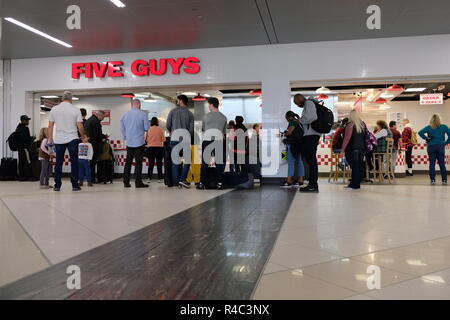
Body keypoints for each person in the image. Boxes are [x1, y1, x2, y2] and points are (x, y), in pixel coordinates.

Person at [48, 91, 86, 191]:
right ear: (71, 99)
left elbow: (50, 126)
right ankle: (74, 185)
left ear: (62, 99)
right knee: (74, 162)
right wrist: (83, 137)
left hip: (59, 139)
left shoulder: (54, 109)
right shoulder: (75, 110)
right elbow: (80, 126)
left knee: (58, 163)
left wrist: (50, 138)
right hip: (72, 138)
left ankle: (57, 185)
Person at [197, 97, 228, 190]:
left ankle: (202, 183)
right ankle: (219, 183)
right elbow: (223, 132)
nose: (208, 106)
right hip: (219, 140)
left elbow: (203, 128)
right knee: (219, 163)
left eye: (208, 105)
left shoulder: (206, 116)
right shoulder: (223, 117)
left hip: (207, 140)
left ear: (211, 104)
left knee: (205, 163)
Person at [294, 94, 320, 193]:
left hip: (311, 136)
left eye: (296, 103)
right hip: (311, 135)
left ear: (299, 99)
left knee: (311, 161)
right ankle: (312, 184)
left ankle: (313, 185)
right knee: (310, 160)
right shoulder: (309, 104)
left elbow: (312, 117)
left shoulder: (308, 103)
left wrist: (300, 121)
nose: (297, 105)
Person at [166, 95, 194, 188]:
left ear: (181, 101)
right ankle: (182, 179)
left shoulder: (172, 111)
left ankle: (175, 183)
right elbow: (191, 129)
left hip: (174, 139)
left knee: (175, 162)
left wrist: (173, 132)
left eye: (177, 100)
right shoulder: (190, 114)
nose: (176, 101)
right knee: (187, 160)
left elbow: (168, 125)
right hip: (185, 139)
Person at [120, 99, 149, 188]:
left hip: (129, 142)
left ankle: (126, 182)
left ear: (132, 105)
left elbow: (122, 128)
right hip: (139, 142)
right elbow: (146, 128)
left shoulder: (125, 115)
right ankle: (138, 182)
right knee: (138, 163)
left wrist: (126, 137)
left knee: (128, 162)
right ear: (139, 105)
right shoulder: (143, 114)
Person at [418, 114, 450, 185]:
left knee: (432, 164)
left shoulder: (429, 127)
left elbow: (420, 132)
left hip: (431, 147)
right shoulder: (444, 127)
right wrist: (446, 142)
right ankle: (444, 180)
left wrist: (426, 138)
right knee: (442, 163)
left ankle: (433, 180)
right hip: (440, 146)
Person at [341, 110, 367, 190]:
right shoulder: (363, 125)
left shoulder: (350, 125)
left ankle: (354, 185)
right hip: (362, 149)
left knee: (354, 167)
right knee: (358, 166)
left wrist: (343, 149)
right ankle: (356, 184)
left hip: (352, 149)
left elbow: (346, 139)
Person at [281, 111, 304, 188]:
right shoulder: (298, 121)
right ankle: (300, 180)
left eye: (286, 118)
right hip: (299, 144)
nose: (286, 119)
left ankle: (289, 180)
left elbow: (290, 132)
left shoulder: (292, 122)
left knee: (291, 162)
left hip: (293, 144)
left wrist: (283, 134)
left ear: (288, 117)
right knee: (299, 161)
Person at [84, 110, 107, 183]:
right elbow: (97, 134)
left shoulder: (88, 120)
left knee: (90, 162)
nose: (103, 118)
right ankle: (92, 179)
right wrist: (104, 136)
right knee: (93, 162)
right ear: (99, 115)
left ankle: (89, 178)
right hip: (94, 145)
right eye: (103, 117)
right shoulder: (96, 121)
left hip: (88, 144)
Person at [146, 117, 165, 182]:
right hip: (159, 148)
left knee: (151, 163)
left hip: (150, 148)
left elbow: (146, 139)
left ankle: (149, 178)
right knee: (159, 163)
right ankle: (160, 178)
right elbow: (164, 139)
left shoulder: (149, 129)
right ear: (157, 122)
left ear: (151, 122)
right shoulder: (160, 129)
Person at [16, 115, 34, 181]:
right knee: (28, 161)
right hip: (25, 148)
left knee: (21, 162)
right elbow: (26, 138)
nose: (28, 121)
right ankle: (30, 177)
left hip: (20, 148)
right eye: (26, 120)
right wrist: (32, 138)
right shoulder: (25, 128)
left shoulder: (18, 128)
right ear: (22, 120)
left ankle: (21, 176)